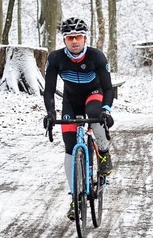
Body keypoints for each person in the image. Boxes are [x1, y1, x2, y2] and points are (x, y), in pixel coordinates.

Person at [43, 17, 114, 221]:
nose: (74, 41)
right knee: (69, 146)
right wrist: (50, 112)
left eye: (78, 37)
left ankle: (103, 152)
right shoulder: (56, 58)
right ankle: (75, 197)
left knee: (94, 114)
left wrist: (106, 110)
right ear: (64, 40)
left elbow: (108, 88)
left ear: (85, 38)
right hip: (71, 100)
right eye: (70, 38)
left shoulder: (96, 56)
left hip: (94, 93)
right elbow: (48, 90)